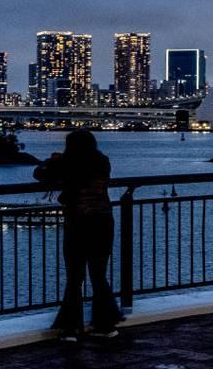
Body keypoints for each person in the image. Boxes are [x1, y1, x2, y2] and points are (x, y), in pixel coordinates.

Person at [33, 129, 123, 340]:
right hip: (103, 222)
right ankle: (105, 325)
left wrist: (51, 160)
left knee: (75, 276)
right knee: (98, 274)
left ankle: (72, 327)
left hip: (78, 222)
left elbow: (39, 174)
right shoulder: (103, 161)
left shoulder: (67, 162)